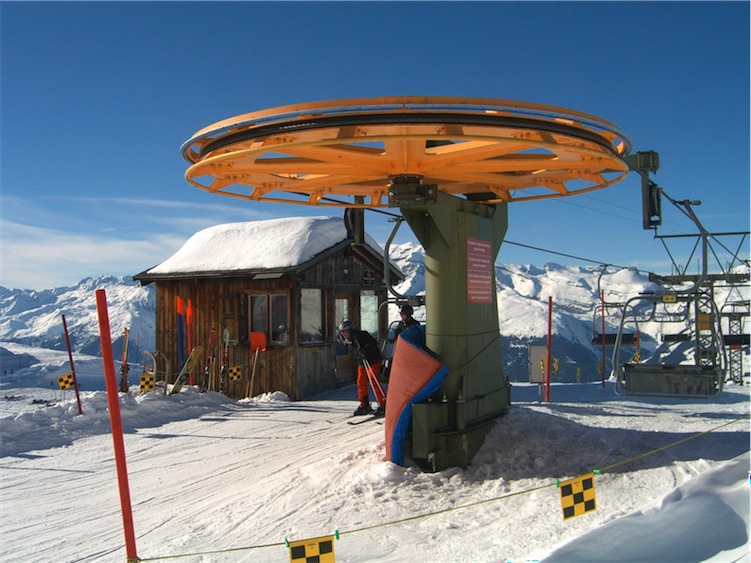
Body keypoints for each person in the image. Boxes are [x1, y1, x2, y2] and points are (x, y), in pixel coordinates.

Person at [338, 320, 386, 416]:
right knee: (360, 381)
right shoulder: (349, 340)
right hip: (362, 361)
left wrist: (366, 349)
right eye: (341, 332)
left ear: (349, 330)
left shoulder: (361, 335)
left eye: (344, 331)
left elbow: (374, 343)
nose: (343, 334)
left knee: (373, 380)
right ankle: (364, 404)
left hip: (373, 359)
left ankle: (383, 404)